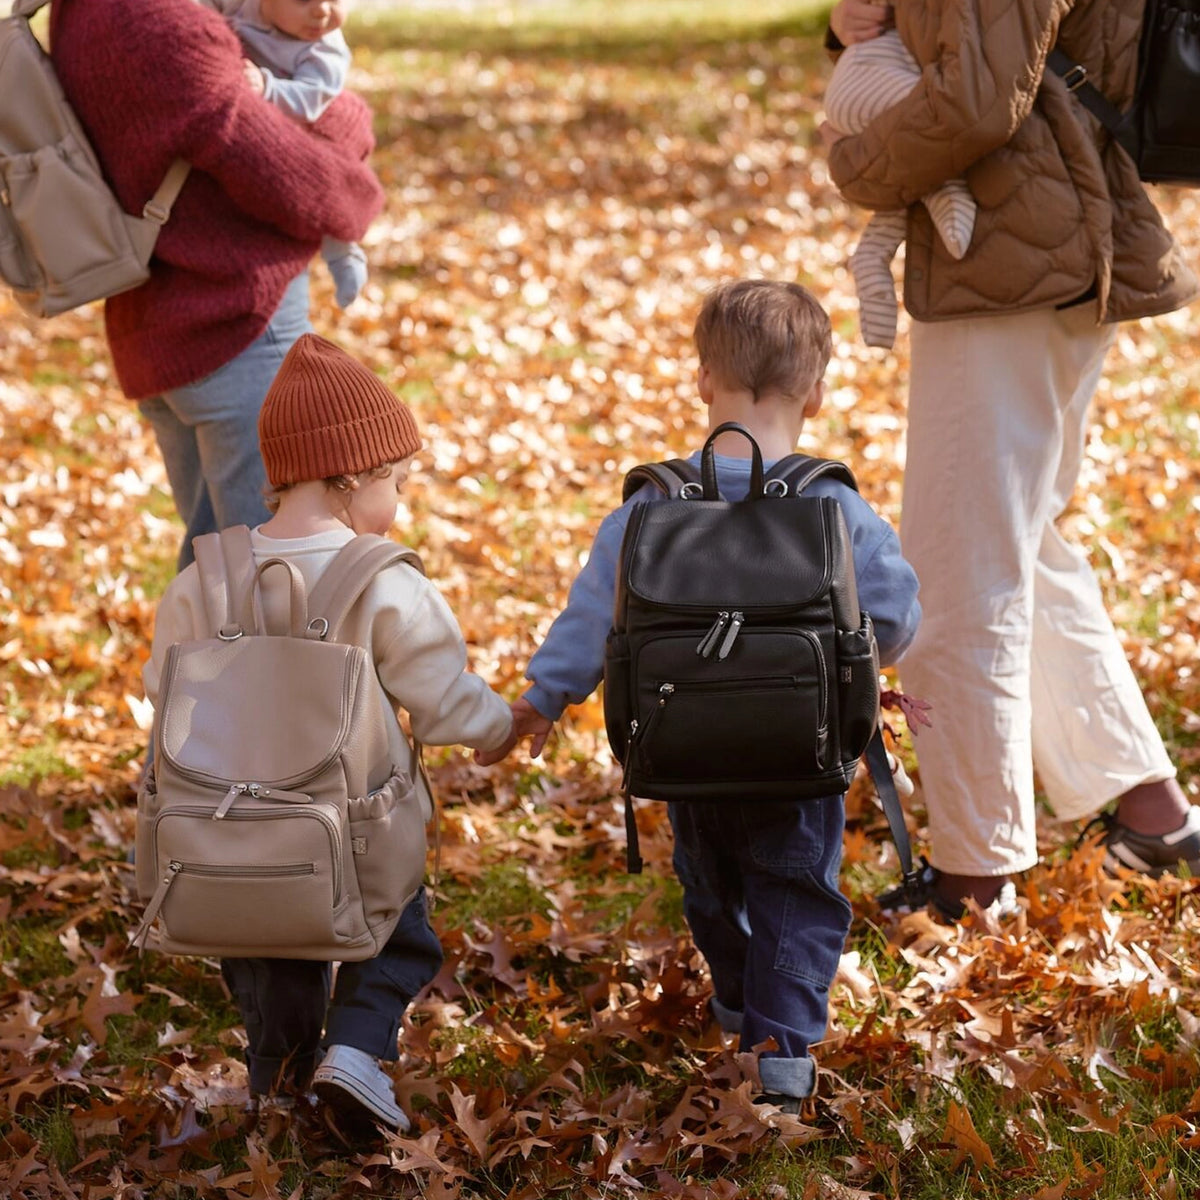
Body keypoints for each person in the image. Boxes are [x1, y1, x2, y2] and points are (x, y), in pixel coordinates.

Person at [478, 280, 922, 1110]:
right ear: (817, 392)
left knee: (710, 880)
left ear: (700, 381)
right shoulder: (834, 502)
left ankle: (735, 996)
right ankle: (782, 1054)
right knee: (796, 889)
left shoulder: (654, 502)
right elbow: (895, 621)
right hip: (802, 751)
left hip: (685, 750)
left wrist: (543, 699)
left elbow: (593, 618)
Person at [823, 0, 1200, 917]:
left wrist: (855, 162)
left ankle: (974, 875)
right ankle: (1154, 813)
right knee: (1022, 544)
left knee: (958, 571)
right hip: (1042, 237)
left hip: (1016, 249)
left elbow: (981, 98)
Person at [142, 334, 514, 1129]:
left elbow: (160, 692)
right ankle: (353, 1050)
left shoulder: (200, 582)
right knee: (398, 934)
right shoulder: (384, 581)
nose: (400, 503)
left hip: (225, 835)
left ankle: (278, 1079)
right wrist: (500, 725)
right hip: (355, 835)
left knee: (265, 947)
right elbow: (442, 699)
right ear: (353, 476)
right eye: (397, 482)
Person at [50, 0, 384, 570]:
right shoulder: (158, 22)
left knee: (219, 569)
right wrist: (352, 122)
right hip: (233, 325)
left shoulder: (88, 10)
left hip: (167, 322)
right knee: (277, 574)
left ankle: (188, 664)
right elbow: (308, 180)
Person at [199, 0, 370, 309]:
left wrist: (268, 87)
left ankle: (344, 254)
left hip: (300, 123)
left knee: (328, 193)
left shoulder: (323, 48)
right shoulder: (240, 7)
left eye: (335, 0)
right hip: (256, 124)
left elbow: (311, 99)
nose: (321, 11)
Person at [823, 18, 976, 348]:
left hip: (870, 79)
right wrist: (841, 22)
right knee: (928, 125)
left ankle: (876, 249)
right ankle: (942, 189)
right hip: (875, 74)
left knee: (910, 149)